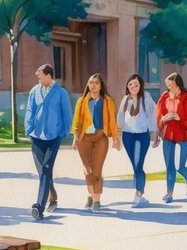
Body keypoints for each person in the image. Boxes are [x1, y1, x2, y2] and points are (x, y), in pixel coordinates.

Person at [24, 63, 72, 220]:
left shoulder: (61, 93)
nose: (37, 78)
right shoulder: (34, 91)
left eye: (39, 75)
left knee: (46, 168)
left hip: (53, 137)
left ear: (48, 75)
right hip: (37, 137)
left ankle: (39, 207)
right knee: (43, 172)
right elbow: (30, 111)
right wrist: (29, 129)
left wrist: (65, 131)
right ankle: (52, 195)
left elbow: (67, 113)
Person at [72, 73, 121, 211]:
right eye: (91, 82)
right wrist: (75, 139)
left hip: (100, 137)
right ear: (88, 85)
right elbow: (76, 122)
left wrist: (116, 139)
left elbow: (112, 120)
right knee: (88, 170)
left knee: (97, 170)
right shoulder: (81, 101)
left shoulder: (107, 101)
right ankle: (92, 194)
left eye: (96, 83)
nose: (93, 85)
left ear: (101, 86)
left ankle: (96, 200)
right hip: (84, 138)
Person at [156, 72, 187, 203]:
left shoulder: (186, 98)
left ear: (178, 85)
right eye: (168, 85)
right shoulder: (164, 96)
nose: (169, 88)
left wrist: (181, 119)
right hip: (169, 133)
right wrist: (163, 118)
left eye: (171, 85)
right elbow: (158, 114)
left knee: (181, 167)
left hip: (185, 134)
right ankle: (169, 193)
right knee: (169, 165)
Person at [118, 73, 159, 208]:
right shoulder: (125, 99)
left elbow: (153, 115)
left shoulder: (145, 97)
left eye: (136, 84)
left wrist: (154, 133)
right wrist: (116, 137)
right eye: (130, 84)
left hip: (142, 135)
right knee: (134, 165)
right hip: (128, 135)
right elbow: (120, 117)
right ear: (127, 87)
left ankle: (138, 193)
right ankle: (141, 192)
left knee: (138, 165)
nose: (133, 86)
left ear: (140, 85)